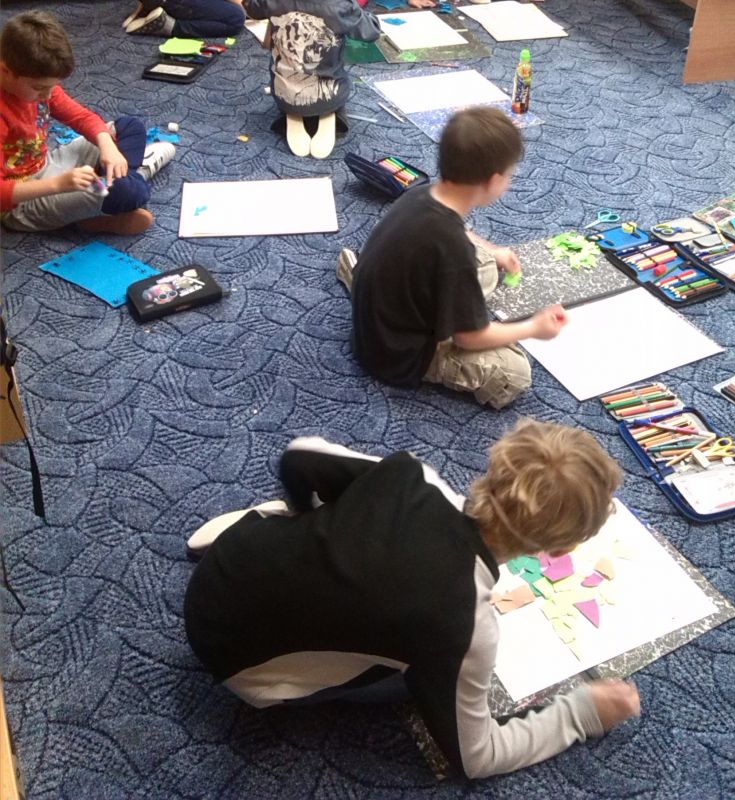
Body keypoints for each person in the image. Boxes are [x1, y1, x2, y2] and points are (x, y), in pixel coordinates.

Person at [184, 423, 640, 780]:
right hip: (237, 665)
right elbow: (476, 757)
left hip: (224, 566)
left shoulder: (412, 473)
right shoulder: (465, 626)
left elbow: (299, 455)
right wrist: (581, 714)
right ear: (560, 548)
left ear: (499, 458)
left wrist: (315, 523)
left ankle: (294, 526)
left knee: (344, 519)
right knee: (420, 677)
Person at [336, 106, 566, 409]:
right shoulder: (453, 250)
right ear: (494, 180)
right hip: (397, 356)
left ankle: (355, 271)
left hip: (381, 316)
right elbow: (468, 338)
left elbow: (462, 233)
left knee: (485, 263)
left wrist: (494, 251)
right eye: (510, 175)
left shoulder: (421, 193)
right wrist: (534, 328)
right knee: (514, 372)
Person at [1, 11, 173, 235]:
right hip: (21, 202)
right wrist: (59, 185)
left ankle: (120, 181)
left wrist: (108, 147)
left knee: (129, 127)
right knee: (129, 193)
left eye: (52, 87)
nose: (48, 95)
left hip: (49, 164)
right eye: (40, 88)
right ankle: (122, 185)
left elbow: (81, 117)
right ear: (5, 70)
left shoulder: (38, 85)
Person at [242, 0, 380, 159]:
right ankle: (332, 114)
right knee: (333, 87)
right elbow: (371, 32)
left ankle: (291, 112)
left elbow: (250, 5)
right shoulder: (341, 4)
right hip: (331, 94)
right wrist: (363, 16)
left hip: (282, 95)